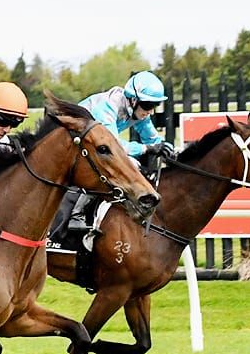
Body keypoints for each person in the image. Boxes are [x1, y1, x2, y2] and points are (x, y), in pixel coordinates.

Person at [51, 71, 174, 243]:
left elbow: (153, 139)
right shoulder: (107, 106)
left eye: (155, 105)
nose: (151, 112)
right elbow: (114, 148)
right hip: (70, 145)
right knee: (127, 164)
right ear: (133, 100)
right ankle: (75, 216)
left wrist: (165, 147)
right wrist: (147, 148)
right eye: (147, 105)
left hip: (93, 146)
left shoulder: (138, 111)